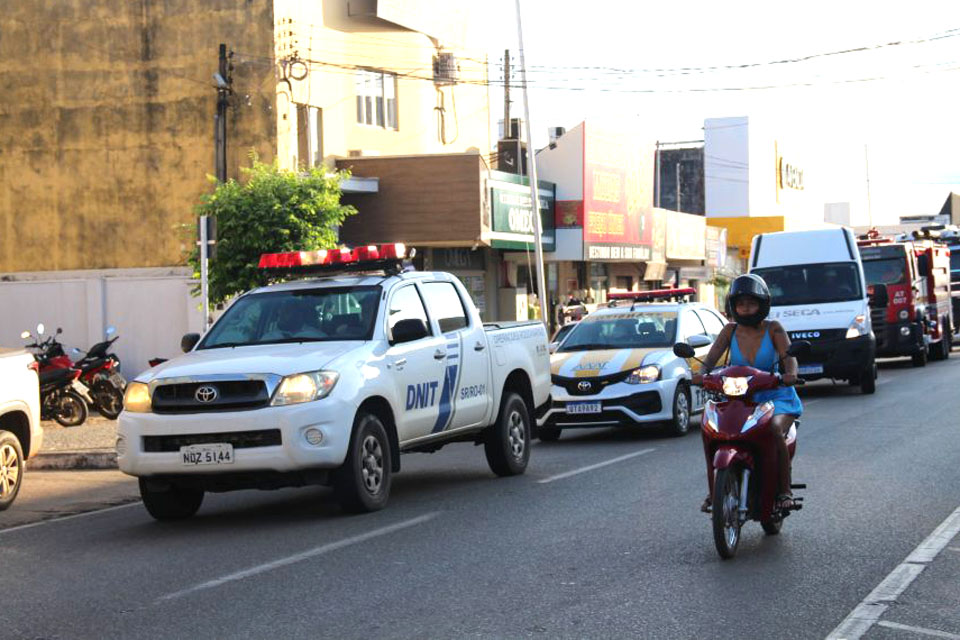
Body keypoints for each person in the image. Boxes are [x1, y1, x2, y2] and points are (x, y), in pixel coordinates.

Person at [691, 273, 803, 513]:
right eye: (741, 304)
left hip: (776, 395)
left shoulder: (774, 329)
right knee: (712, 428)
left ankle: (784, 491)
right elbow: (710, 359)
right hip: (741, 397)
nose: (746, 308)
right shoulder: (729, 331)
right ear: (733, 306)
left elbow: (789, 356)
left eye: (751, 303)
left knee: (774, 429)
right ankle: (715, 492)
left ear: (762, 304)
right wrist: (702, 373)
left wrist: (790, 374)